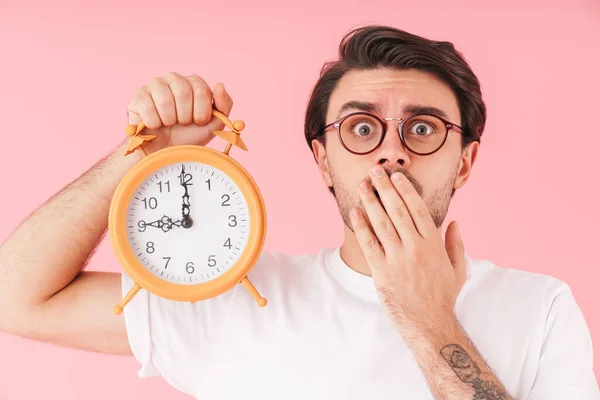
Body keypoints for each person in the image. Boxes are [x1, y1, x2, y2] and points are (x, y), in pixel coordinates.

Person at [0, 25, 597, 400]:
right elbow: (15, 299)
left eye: (422, 127)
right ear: (322, 159)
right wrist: (144, 156)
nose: (391, 149)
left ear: (464, 163)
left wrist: (428, 319)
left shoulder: (540, 309)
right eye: (362, 127)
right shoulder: (230, 300)